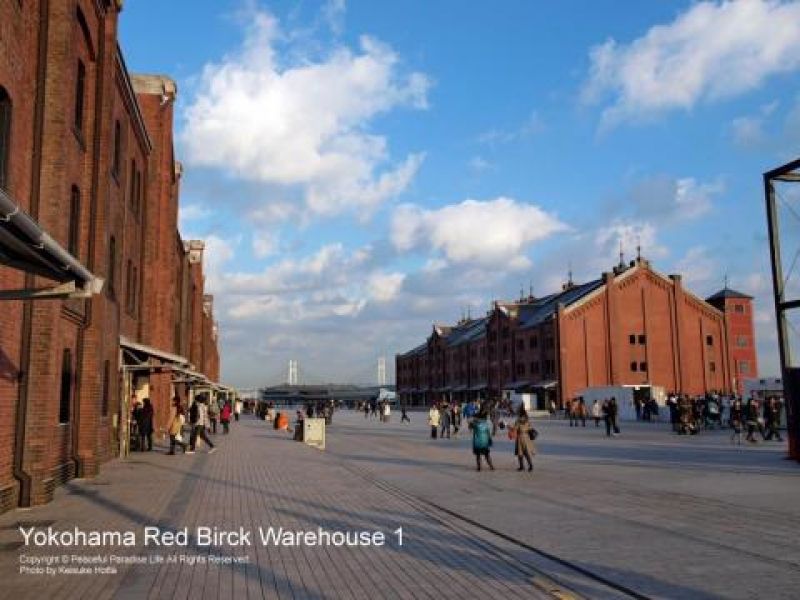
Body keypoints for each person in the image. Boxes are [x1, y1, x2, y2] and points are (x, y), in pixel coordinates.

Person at [513, 405, 534, 472]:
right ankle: (530, 465)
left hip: (520, 438)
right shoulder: (527, 420)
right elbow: (530, 428)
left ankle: (522, 466)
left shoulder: (518, 421)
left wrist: (508, 426)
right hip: (527, 438)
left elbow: (515, 428)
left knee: (520, 453)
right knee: (527, 453)